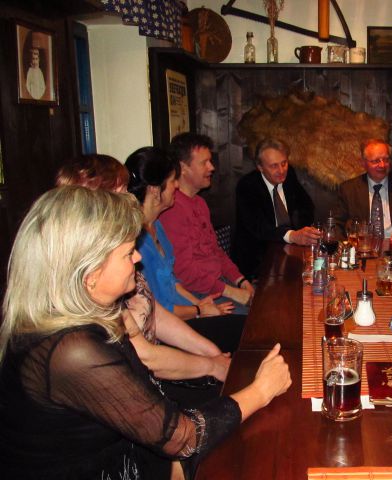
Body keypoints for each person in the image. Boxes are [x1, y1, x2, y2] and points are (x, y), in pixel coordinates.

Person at [0, 186, 291, 479]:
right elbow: (182, 438)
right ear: (90, 274)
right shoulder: (70, 351)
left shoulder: (90, 309)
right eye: (128, 253)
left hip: (125, 449)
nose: (138, 257)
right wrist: (261, 390)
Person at [57, 155, 234, 394]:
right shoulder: (96, 271)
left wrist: (211, 353)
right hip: (135, 387)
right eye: (122, 193)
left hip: (152, 369)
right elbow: (145, 357)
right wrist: (211, 363)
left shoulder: (124, 247)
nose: (131, 199)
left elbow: (154, 311)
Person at [160, 133, 255, 310]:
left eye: (210, 161)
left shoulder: (199, 203)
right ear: (183, 168)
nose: (212, 167)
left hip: (218, 284)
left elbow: (215, 251)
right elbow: (183, 272)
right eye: (204, 162)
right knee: (256, 320)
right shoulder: (172, 210)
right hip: (198, 294)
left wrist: (240, 280)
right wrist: (231, 292)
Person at [233, 138, 319, 277]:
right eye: (274, 166)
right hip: (257, 259)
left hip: (288, 251)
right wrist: (293, 236)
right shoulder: (247, 186)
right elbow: (259, 227)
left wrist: (302, 232)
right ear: (260, 167)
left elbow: (306, 205)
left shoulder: (289, 174)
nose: (281, 170)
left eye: (284, 163)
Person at [333, 138, 392, 239]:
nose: (382, 165)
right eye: (376, 161)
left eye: (386, 160)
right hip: (362, 245)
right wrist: (345, 246)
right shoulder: (349, 189)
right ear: (363, 163)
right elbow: (336, 224)